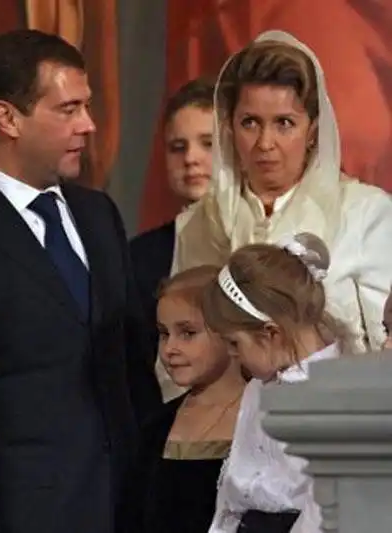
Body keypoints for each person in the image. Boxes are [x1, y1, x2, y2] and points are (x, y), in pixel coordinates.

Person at [0, 29, 160, 533]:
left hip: (125, 510)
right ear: (8, 118)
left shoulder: (99, 216)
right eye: (68, 109)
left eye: (87, 106)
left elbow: (133, 373)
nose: (88, 124)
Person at [172, 30, 392, 352]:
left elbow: (386, 350)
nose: (265, 143)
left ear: (312, 131)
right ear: (229, 127)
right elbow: (179, 344)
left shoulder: (365, 215)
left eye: (284, 123)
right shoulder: (198, 224)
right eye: (250, 122)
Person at [202, 232, 345, 533]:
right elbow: (234, 484)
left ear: (270, 334)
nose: (232, 355)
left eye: (234, 343)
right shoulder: (258, 387)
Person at [128, 266, 246, 533]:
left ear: (230, 332)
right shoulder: (156, 426)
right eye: (164, 334)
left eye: (188, 333)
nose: (170, 348)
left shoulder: (263, 418)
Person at [130, 79, 214, 399]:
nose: (191, 158)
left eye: (208, 143)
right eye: (178, 147)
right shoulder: (141, 257)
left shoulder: (261, 239)